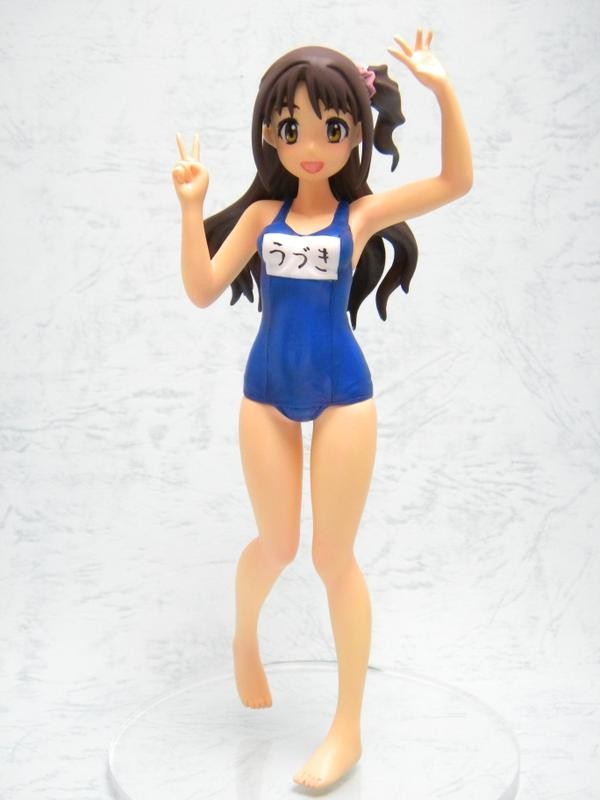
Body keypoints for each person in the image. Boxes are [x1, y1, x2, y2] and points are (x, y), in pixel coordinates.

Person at [172, 27, 473, 790]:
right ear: (270, 134)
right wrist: (192, 207)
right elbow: (202, 290)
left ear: (356, 135)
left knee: (333, 559)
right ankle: (245, 637)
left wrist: (442, 89)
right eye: (291, 127)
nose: (311, 146)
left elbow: (455, 181)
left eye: (332, 129)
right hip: (265, 395)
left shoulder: (360, 217)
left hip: (344, 394)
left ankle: (348, 728)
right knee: (275, 547)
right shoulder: (260, 217)